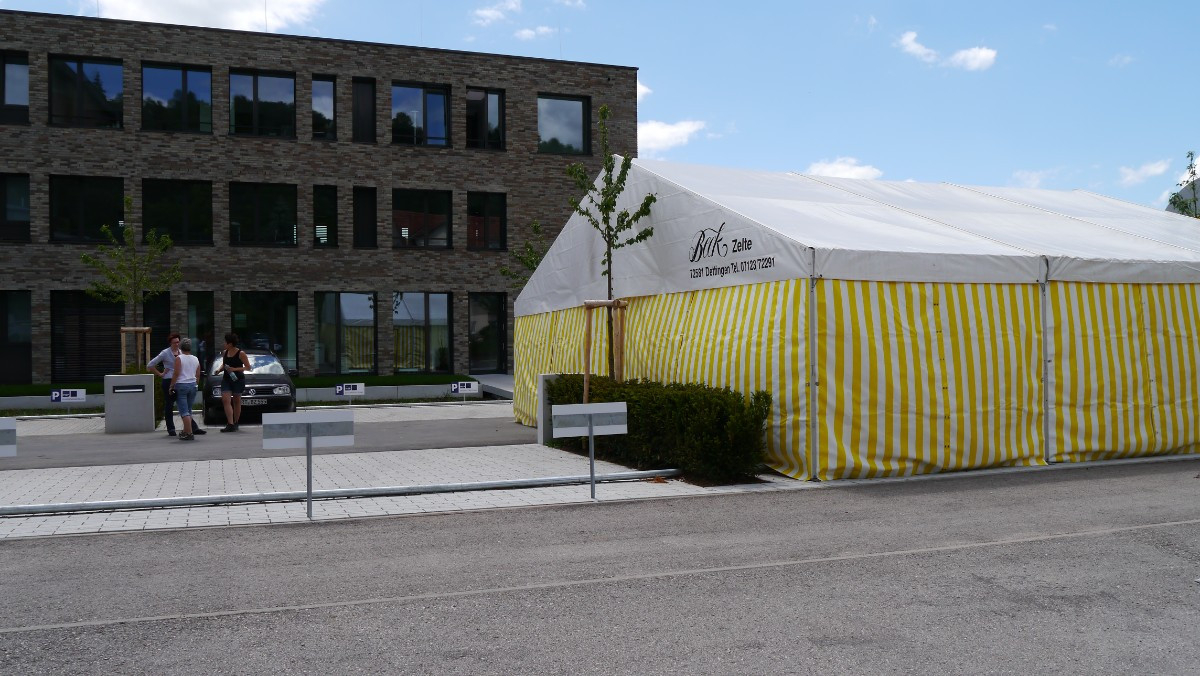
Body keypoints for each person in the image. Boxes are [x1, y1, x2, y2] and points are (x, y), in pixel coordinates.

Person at [147, 332, 206, 437]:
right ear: (170, 343)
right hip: (169, 380)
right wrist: (160, 374)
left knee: (185, 407)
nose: (177, 344)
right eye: (174, 342)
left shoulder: (182, 352)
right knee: (170, 405)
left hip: (181, 381)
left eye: (178, 342)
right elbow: (150, 365)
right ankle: (171, 428)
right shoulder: (165, 353)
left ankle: (192, 428)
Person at [215, 332, 251, 432]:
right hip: (227, 379)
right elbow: (224, 364)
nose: (224, 344)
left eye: (225, 342)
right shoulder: (225, 352)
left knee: (236, 400)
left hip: (238, 379)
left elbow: (248, 367)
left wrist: (234, 369)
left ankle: (236, 422)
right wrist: (219, 370)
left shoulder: (241, 353)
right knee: (226, 400)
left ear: (230, 344)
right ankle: (230, 423)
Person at [169, 338, 202, 441]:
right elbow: (198, 374)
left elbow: (176, 373)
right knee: (189, 409)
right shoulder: (195, 359)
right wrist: (196, 383)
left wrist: (171, 385)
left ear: (181, 347)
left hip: (182, 385)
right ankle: (186, 431)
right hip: (193, 385)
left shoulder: (179, 358)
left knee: (184, 411)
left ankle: (189, 433)